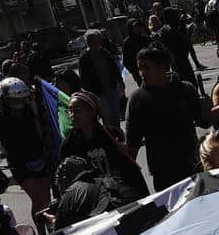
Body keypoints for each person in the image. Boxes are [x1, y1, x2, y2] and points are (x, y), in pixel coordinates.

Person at [0, 77, 58, 231]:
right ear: (6, 100)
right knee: (37, 198)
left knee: (46, 198)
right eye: (15, 100)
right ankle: (42, 232)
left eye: (21, 99)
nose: (19, 103)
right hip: (19, 163)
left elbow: (46, 130)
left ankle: (50, 227)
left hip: (40, 158)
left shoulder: (31, 111)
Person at [125, 46, 207, 191]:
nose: (142, 73)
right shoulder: (137, 99)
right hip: (163, 171)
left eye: (147, 68)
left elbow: (204, 122)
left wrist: (207, 106)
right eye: (140, 68)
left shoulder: (185, 89)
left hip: (192, 164)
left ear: (163, 67)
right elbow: (132, 142)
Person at [60, 90, 149, 199]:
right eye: (69, 110)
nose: (72, 115)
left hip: (121, 194)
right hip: (93, 199)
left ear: (92, 111)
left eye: (78, 110)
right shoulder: (69, 145)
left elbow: (129, 170)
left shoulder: (111, 136)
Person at [77, 28, 128, 129]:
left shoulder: (104, 53)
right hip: (98, 93)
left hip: (111, 88)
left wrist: (120, 81)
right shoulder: (84, 58)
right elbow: (83, 77)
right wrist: (89, 92)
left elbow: (114, 69)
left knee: (115, 113)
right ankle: (111, 137)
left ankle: (117, 133)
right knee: (106, 116)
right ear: (91, 41)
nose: (100, 41)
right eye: (97, 39)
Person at [120, 19, 152, 88]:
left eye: (139, 26)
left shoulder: (146, 39)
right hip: (139, 72)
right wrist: (135, 72)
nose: (138, 28)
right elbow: (126, 60)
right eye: (135, 27)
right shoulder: (127, 42)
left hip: (153, 69)